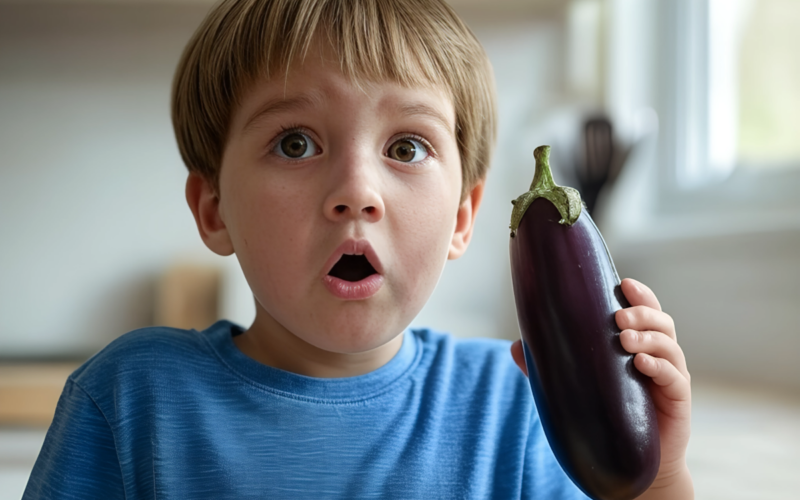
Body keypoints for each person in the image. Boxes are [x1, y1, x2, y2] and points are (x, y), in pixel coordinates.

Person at [23, 0, 693, 498]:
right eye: (296, 143)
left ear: (463, 218)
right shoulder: (133, 397)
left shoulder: (518, 402)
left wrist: (658, 474)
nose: (357, 192)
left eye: (406, 148)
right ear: (214, 208)